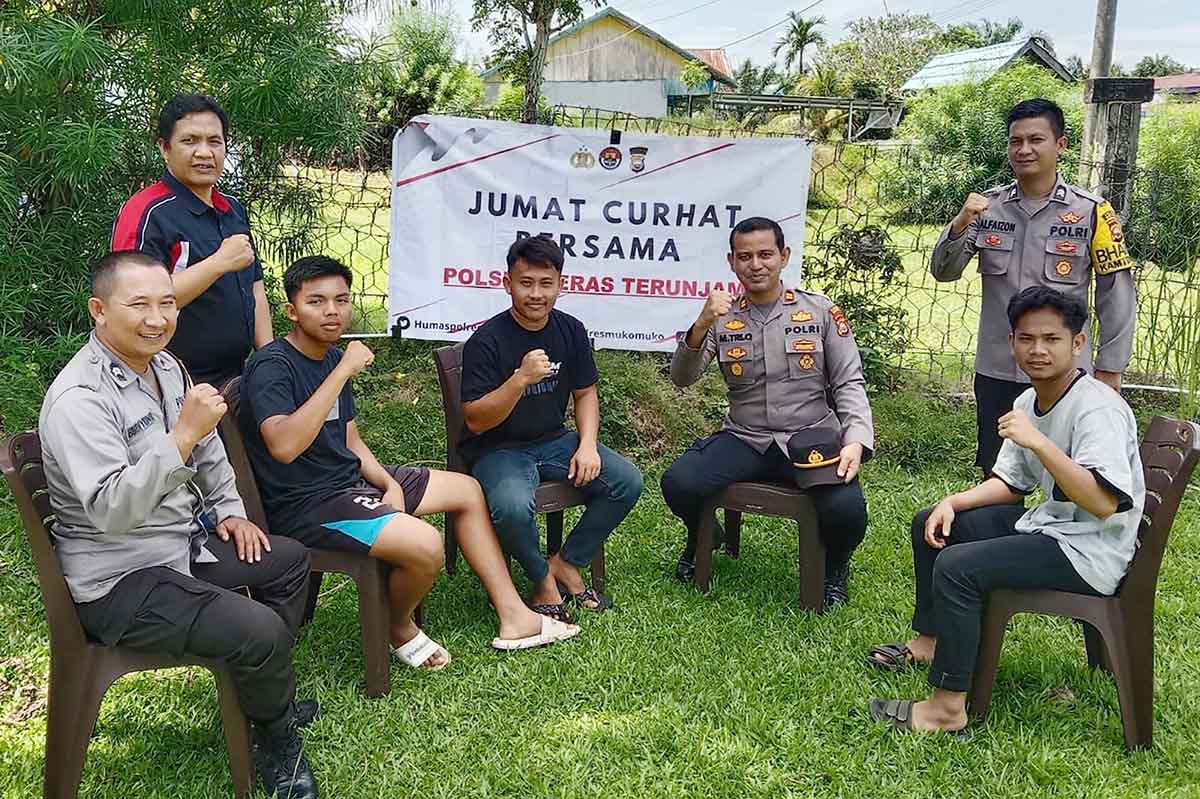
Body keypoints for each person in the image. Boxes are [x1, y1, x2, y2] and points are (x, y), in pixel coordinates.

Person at [38, 251, 319, 798]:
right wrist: (182, 437)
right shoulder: (80, 399)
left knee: (288, 565)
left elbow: (210, 445)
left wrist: (230, 511)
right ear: (99, 310)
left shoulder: (166, 367)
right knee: (257, 629)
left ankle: (260, 693)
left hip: (179, 545)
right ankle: (277, 739)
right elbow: (112, 509)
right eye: (138, 304)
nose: (157, 318)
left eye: (167, 302)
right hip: (121, 579)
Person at [239, 255, 579, 664]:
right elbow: (284, 446)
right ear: (291, 310)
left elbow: (349, 438)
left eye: (341, 300)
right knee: (425, 544)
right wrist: (343, 372)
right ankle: (398, 625)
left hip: (347, 481)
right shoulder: (273, 367)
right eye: (317, 302)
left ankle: (513, 615)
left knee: (467, 490)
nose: (332, 311)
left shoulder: (330, 356)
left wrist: (388, 482)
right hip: (307, 504)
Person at [866, 286, 1144, 735]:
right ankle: (932, 640)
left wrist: (1040, 442)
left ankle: (946, 708)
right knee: (931, 524)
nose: (1038, 350)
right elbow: (1012, 484)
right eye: (1026, 338)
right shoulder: (1027, 401)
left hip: (1090, 551)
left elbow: (1103, 502)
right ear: (1011, 341)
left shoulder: (1097, 408)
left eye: (1052, 339)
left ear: (1078, 343)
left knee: (958, 567)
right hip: (1055, 528)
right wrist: (952, 502)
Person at [661, 216, 873, 607]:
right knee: (679, 482)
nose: (755, 265)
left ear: (784, 256)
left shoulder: (819, 311)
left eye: (765, 255)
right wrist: (701, 323)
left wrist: (856, 440)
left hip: (809, 437)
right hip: (746, 437)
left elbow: (848, 382)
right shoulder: (721, 316)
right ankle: (705, 535)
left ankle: (836, 567)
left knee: (846, 509)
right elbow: (682, 378)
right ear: (732, 261)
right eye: (745, 257)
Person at [930, 98, 1136, 474]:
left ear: (1061, 145)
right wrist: (959, 224)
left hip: (1065, 372)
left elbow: (1116, 293)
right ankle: (999, 531)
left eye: (1036, 139)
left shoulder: (1093, 212)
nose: (1024, 150)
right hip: (998, 366)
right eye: (1015, 141)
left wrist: (1110, 369)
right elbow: (944, 272)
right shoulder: (986, 208)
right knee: (997, 470)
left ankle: (1057, 533)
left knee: (1070, 471)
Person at [459, 236, 643, 619]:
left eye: (546, 283)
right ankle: (542, 578)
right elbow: (475, 419)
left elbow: (586, 392)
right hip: (497, 449)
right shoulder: (486, 341)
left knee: (626, 481)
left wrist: (588, 444)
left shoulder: (570, 330)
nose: (536, 294)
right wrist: (518, 381)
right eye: (526, 283)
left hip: (553, 440)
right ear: (507, 283)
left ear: (561, 283)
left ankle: (568, 561)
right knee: (511, 506)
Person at [112, 93, 272, 387]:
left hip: (236, 376)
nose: (204, 152)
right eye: (190, 141)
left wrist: (269, 360)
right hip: (166, 380)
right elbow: (135, 303)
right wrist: (218, 263)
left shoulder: (232, 208)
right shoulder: (148, 211)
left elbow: (255, 289)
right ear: (164, 148)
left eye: (214, 141)